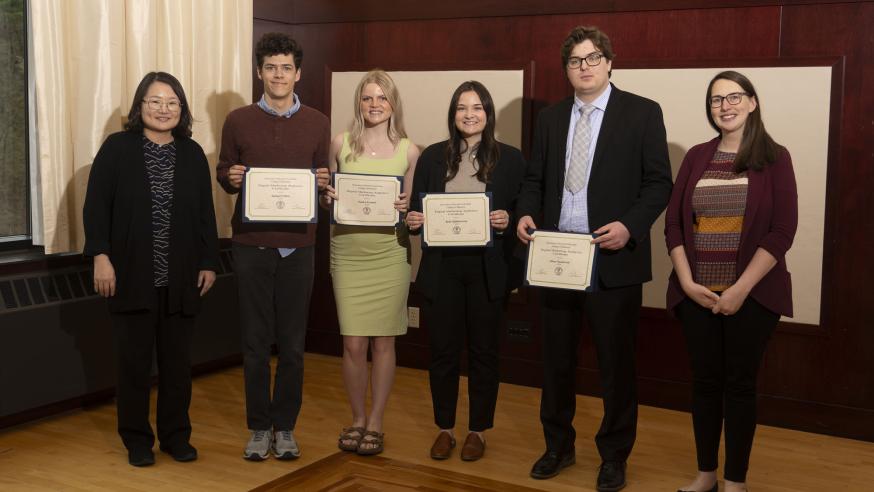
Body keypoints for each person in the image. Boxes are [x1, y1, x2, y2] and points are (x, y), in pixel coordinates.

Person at [515, 26, 673, 490]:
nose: (584, 67)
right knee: (556, 361)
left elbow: (658, 183)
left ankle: (614, 455)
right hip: (557, 256)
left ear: (609, 62)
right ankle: (558, 446)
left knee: (615, 365)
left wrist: (629, 226)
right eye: (575, 61)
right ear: (567, 70)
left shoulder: (642, 113)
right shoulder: (550, 119)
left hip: (612, 257)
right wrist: (526, 213)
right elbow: (534, 182)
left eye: (592, 58)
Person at [665, 71, 797, 492]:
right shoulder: (697, 156)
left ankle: (735, 480)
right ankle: (706, 474)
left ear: (753, 102)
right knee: (704, 384)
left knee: (739, 386)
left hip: (752, 296)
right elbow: (674, 226)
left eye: (734, 96)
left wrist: (739, 290)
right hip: (697, 295)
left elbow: (782, 230)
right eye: (716, 100)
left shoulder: (776, 157)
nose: (725, 105)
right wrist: (686, 282)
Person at [83, 71, 219, 467]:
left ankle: (177, 436)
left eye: (172, 102)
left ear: (182, 109)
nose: (164, 109)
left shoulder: (191, 153)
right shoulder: (116, 148)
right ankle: (137, 440)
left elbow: (205, 216)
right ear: (140, 106)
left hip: (180, 278)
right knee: (134, 367)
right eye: (155, 101)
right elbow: (95, 208)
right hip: (129, 277)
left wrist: (209, 260)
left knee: (177, 366)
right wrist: (100, 255)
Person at [216, 32, 330, 461]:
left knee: (294, 345)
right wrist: (231, 178)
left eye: (286, 68)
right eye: (270, 67)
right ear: (259, 71)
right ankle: (259, 428)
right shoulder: (238, 120)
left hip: (299, 247)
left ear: (297, 73)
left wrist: (325, 185)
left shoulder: (318, 122)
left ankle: (286, 427)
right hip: (251, 245)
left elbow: (324, 182)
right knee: (255, 344)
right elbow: (224, 170)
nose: (278, 75)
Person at [406, 81, 526, 462]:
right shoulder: (432, 157)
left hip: (487, 269)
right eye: (461, 108)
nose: (469, 115)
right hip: (442, 267)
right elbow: (415, 211)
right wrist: (414, 220)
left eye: (477, 108)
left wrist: (508, 218)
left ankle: (478, 430)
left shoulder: (511, 159)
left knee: (484, 352)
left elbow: (524, 210)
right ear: (453, 114)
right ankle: (445, 427)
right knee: (441, 351)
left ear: (488, 114)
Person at [320, 69, 419, 456]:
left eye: (382, 97)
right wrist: (328, 198)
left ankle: (376, 422)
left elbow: (412, 210)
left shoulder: (410, 151)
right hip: (348, 253)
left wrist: (407, 205)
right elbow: (329, 195)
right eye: (367, 97)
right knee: (353, 342)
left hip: (390, 254)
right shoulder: (340, 143)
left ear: (393, 103)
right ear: (358, 103)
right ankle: (357, 417)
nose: (374, 104)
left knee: (384, 342)